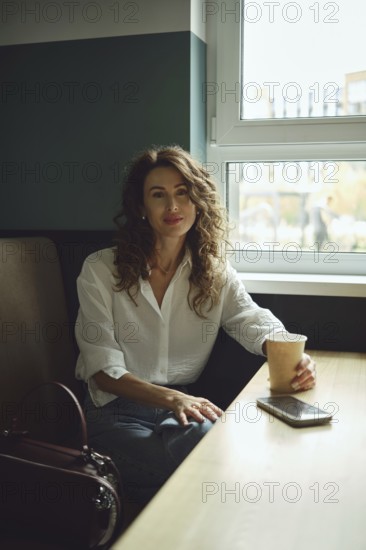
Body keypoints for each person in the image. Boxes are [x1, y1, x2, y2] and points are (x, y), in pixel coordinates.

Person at [75, 146, 316, 506]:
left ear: (197, 201)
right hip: (114, 414)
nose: (172, 206)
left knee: (205, 453)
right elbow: (103, 372)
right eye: (159, 195)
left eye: (182, 193)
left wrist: (292, 355)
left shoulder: (214, 272)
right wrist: (173, 397)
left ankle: (132, 507)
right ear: (141, 207)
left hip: (185, 410)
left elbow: (251, 319)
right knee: (207, 476)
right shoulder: (99, 270)